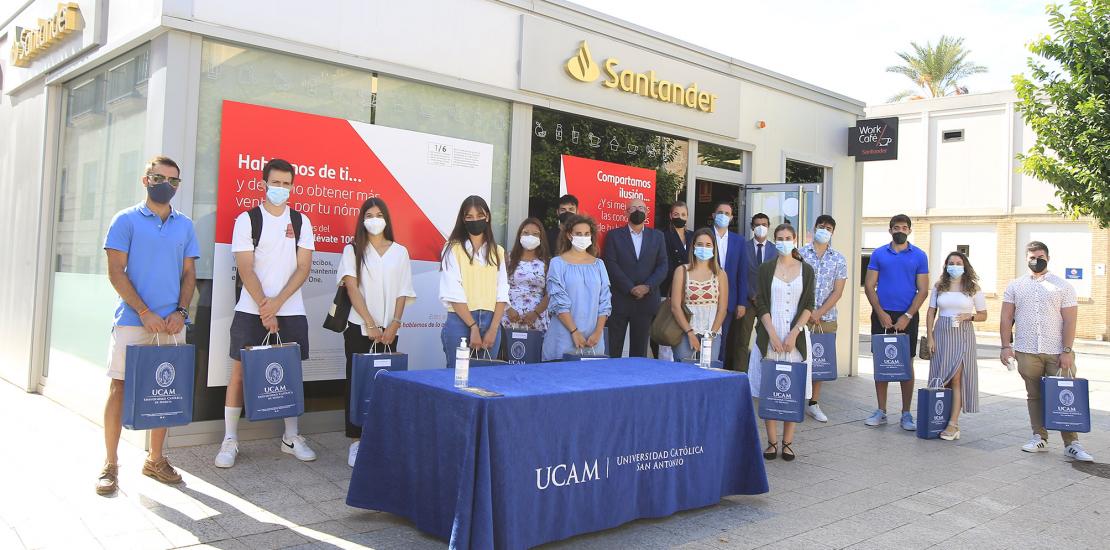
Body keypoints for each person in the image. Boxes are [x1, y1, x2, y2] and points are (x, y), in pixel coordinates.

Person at [98, 155, 199, 495]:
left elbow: (189, 274)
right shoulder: (125, 220)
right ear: (146, 180)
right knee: (120, 389)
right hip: (132, 320)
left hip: (172, 324)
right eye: (160, 178)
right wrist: (143, 311)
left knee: (164, 390)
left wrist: (181, 312)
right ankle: (110, 465)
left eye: (173, 180)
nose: (166, 185)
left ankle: (155, 459)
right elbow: (116, 272)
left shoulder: (185, 225)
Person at [217, 158, 316, 469]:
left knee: (290, 374)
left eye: (287, 184)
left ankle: (291, 437)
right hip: (250, 309)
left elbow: (304, 268)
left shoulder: (302, 222)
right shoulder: (247, 220)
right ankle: (230, 439)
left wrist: (277, 304)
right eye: (276, 183)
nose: (281, 189)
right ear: (263, 183)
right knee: (239, 373)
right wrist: (264, 305)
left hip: (291, 311)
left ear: (293, 187)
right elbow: (245, 268)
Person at [337, 197, 415, 467]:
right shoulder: (353, 249)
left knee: (386, 383)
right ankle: (356, 441)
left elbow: (404, 290)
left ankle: (382, 437)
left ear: (387, 219)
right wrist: (369, 322)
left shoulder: (400, 252)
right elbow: (351, 286)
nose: (374, 218)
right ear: (362, 219)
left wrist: (394, 323)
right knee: (358, 383)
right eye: (369, 214)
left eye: (379, 214)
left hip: (389, 331)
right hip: (360, 327)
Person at [1001, 242, 1093, 461]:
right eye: (1032, 257)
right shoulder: (1015, 285)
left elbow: (1070, 321)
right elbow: (1006, 317)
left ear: (1048, 258)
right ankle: (1039, 437)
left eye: (1040, 256)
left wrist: (1067, 350)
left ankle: (1072, 443)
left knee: (1064, 396)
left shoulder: (1062, 286)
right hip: (1026, 350)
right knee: (1034, 396)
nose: (1036, 260)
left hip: (1057, 352)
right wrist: (1006, 346)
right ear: (1026, 259)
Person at [748, 224, 815, 461]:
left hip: (795, 335)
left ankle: (788, 443)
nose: (784, 241)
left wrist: (794, 333)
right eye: (780, 238)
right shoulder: (766, 269)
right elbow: (762, 302)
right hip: (771, 333)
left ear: (795, 240)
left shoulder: (806, 270)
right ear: (774, 241)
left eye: (788, 238)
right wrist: (773, 335)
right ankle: (771, 442)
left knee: (792, 388)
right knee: (770, 388)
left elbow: (809, 304)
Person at [863, 214, 929, 431]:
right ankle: (881, 411)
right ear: (890, 230)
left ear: (909, 230)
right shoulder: (879, 254)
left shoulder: (919, 255)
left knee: (905, 363)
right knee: (882, 362)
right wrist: (880, 312)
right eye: (896, 227)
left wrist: (907, 316)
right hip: (882, 314)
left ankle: (906, 413)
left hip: (907, 316)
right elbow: (869, 285)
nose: (900, 230)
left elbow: (923, 290)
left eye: (904, 227)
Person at [440, 195, 509, 367]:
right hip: (460, 321)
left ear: (487, 217)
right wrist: (473, 327)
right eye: (469, 217)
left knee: (486, 380)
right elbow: (453, 292)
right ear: (463, 220)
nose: (475, 220)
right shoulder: (452, 249)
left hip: (491, 320)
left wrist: (493, 328)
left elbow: (502, 292)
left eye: (479, 215)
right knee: (457, 377)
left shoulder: (497, 251)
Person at [925, 252, 986, 441]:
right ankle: (936, 418)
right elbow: (931, 312)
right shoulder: (939, 287)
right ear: (946, 266)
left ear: (965, 265)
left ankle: (953, 424)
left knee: (956, 378)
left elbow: (984, 314)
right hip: (942, 332)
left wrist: (971, 316)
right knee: (941, 378)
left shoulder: (973, 288)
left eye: (958, 263)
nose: (955, 266)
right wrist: (930, 337)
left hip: (963, 334)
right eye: (951, 263)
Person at [603, 198, 668, 357]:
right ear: (626, 212)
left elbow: (663, 265)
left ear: (647, 212)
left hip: (646, 301)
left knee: (639, 352)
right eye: (633, 208)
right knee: (613, 348)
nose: (637, 211)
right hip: (620, 299)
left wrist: (647, 287)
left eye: (641, 207)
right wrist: (630, 287)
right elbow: (610, 264)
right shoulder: (613, 236)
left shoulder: (657, 236)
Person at [799, 215, 848, 423]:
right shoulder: (800, 253)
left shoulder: (839, 259)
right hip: (801, 317)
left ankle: (813, 403)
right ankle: (792, 398)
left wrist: (819, 313)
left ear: (832, 232)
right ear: (814, 227)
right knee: (798, 358)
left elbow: (838, 291)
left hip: (825, 318)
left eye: (828, 228)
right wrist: (808, 312)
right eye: (821, 226)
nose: (824, 230)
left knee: (819, 361)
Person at [543, 215, 612, 360]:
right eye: (578, 234)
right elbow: (558, 302)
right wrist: (574, 331)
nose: (583, 237)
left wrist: (598, 333)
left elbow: (605, 302)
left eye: (587, 234)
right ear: (569, 235)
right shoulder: (557, 263)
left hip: (594, 339)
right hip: (564, 336)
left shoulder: (599, 264)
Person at [669, 228, 728, 362]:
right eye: (700, 244)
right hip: (684, 331)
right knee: (683, 372)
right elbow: (675, 307)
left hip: (712, 333)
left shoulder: (721, 274)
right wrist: (690, 333)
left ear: (714, 248)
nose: (703, 248)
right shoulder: (682, 271)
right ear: (693, 246)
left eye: (708, 245)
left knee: (708, 373)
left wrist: (710, 335)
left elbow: (722, 309)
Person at [709, 201, 748, 367]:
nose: (723, 216)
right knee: (705, 338)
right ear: (713, 215)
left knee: (723, 341)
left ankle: (719, 373)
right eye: (720, 212)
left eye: (727, 213)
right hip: (706, 297)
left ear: (731, 218)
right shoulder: (705, 236)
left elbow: (742, 273)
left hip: (730, 300)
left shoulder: (739, 241)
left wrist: (741, 302)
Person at [503, 218, 551, 331]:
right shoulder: (507, 259)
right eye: (526, 233)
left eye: (535, 234)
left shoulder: (547, 263)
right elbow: (497, 287)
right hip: (508, 317)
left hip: (537, 319)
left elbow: (549, 294)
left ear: (541, 238)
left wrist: (535, 314)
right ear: (519, 235)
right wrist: (508, 309)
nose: (530, 237)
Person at [661, 202, 694, 299]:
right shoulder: (663, 235)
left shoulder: (693, 236)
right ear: (670, 216)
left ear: (687, 217)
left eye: (683, 214)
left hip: (690, 289)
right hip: (668, 288)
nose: (680, 217)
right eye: (676, 214)